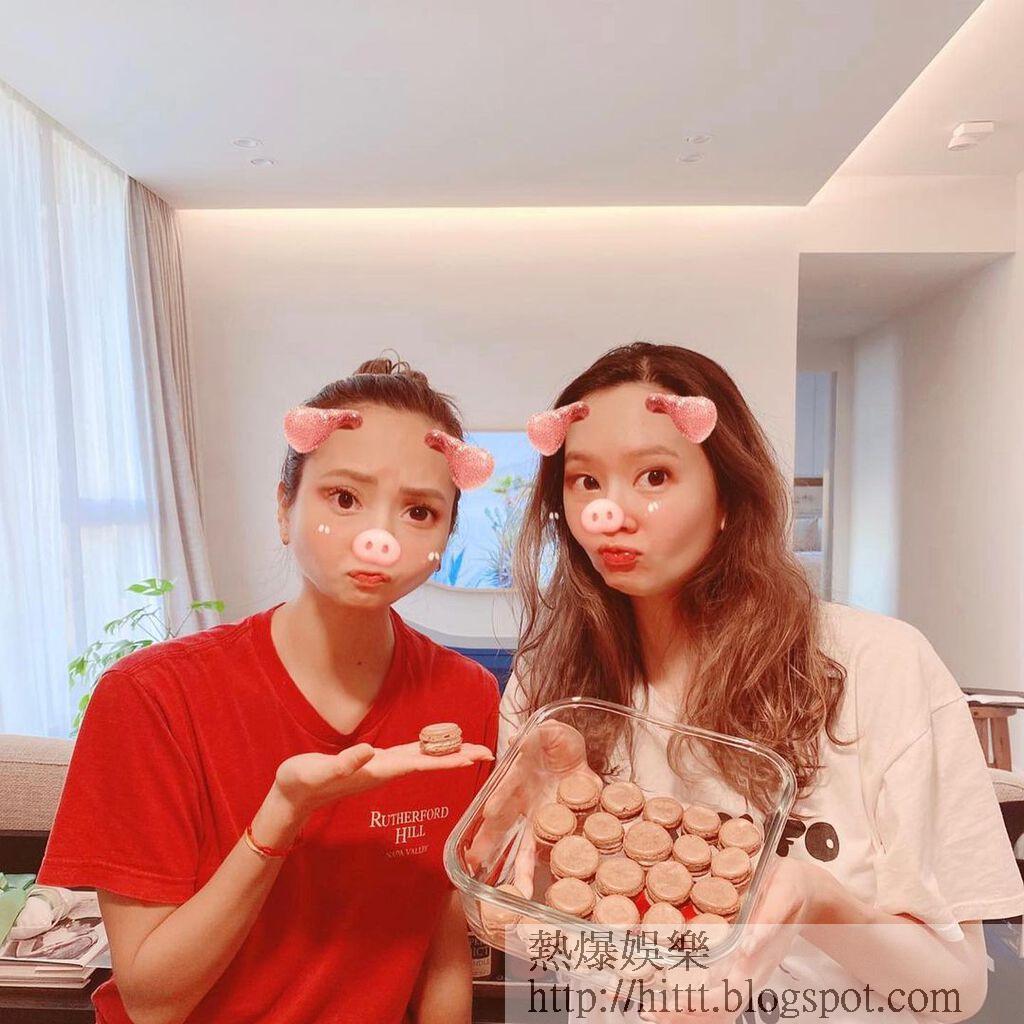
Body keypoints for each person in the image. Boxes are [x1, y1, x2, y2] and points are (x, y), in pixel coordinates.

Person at [497, 341, 1023, 1022]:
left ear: (728, 497)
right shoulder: (549, 686)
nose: (609, 513)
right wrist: (531, 866)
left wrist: (817, 899)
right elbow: (530, 930)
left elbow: (957, 991)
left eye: (654, 476)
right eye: (585, 481)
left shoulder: (879, 665)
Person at [40, 358, 500, 1024]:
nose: (380, 537)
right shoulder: (151, 699)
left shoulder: (464, 696)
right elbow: (151, 1002)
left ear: (445, 537)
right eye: (344, 498)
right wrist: (280, 818)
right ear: (285, 508)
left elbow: (439, 931)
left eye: (420, 511)